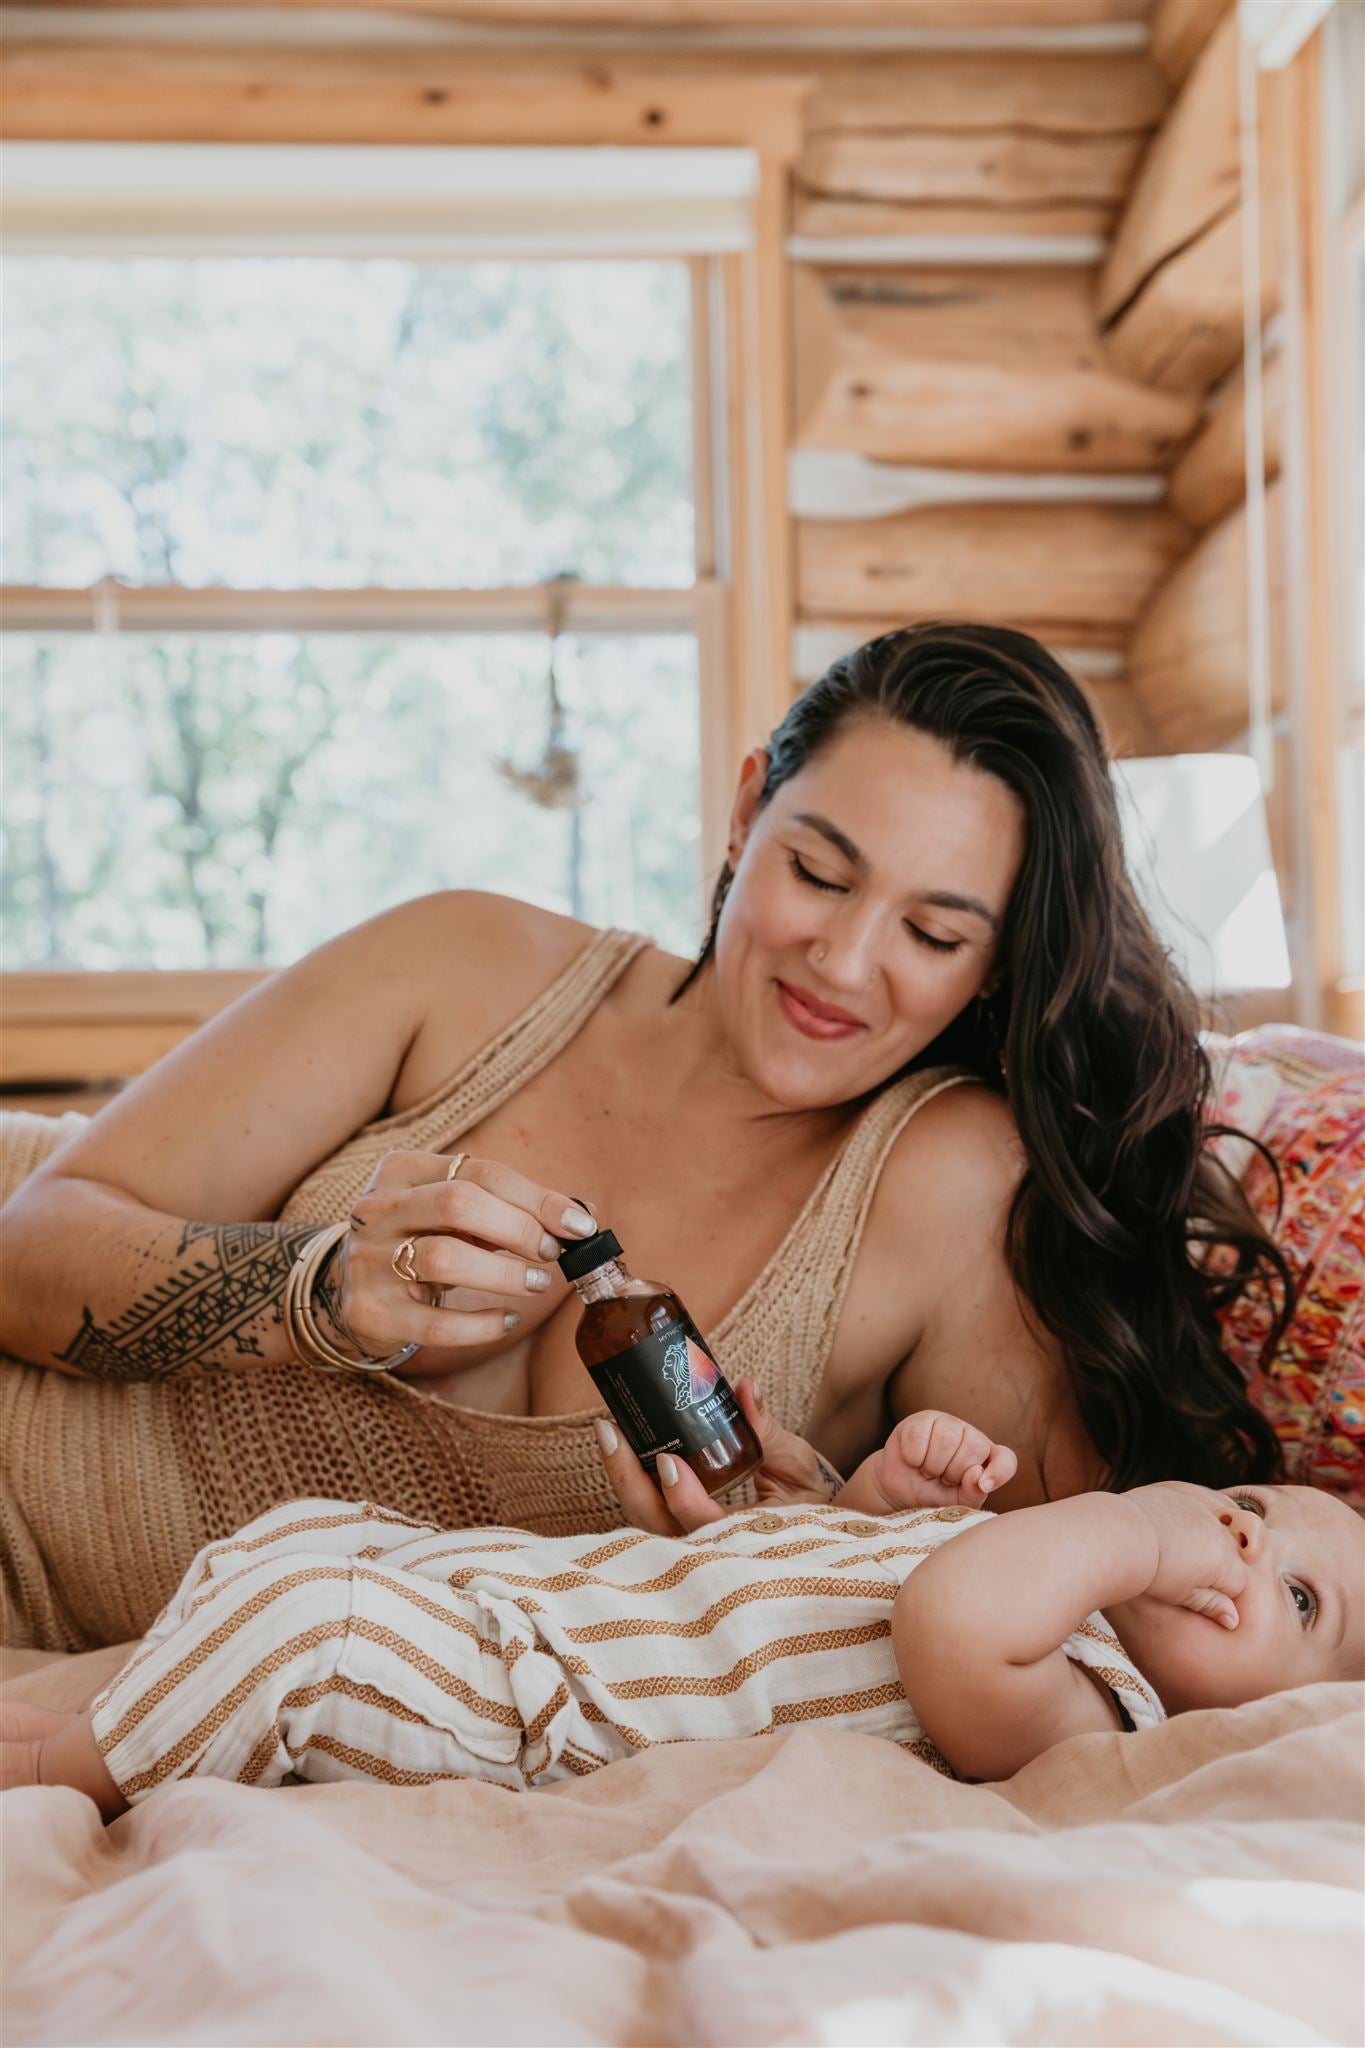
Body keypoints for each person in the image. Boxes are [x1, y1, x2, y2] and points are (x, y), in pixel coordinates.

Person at [0, 624, 1292, 1653]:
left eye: (933, 932)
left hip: (129, 1682)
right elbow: (31, 1244)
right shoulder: (466, 965)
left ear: (998, 963)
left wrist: (804, 1555)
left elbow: (1060, 1618)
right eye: (819, 872)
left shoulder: (951, 1189)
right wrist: (318, 1290)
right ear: (746, 809)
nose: (843, 962)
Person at [5, 1399, 1359, 1814]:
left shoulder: (1095, 1714)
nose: (1239, 1540)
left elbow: (948, 1626)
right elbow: (831, 1583)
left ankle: (60, 1777)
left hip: (549, 1710)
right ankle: (156, 1704)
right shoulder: (1064, 1584)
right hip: (545, 1600)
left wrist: (1142, 1526)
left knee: (314, 1632)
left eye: (1297, 1598)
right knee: (307, 1538)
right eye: (1246, 1505)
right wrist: (877, 1502)